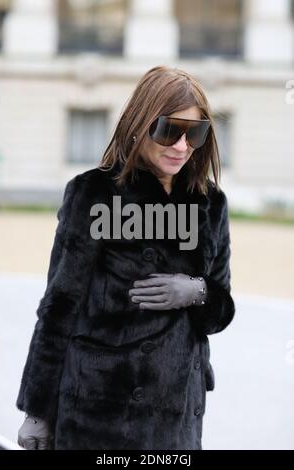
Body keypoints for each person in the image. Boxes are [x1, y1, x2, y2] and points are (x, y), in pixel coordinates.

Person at [17, 65, 235, 450]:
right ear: (139, 124)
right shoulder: (95, 193)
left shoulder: (210, 203)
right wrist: (37, 412)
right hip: (99, 412)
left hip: (177, 417)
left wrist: (198, 291)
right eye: (170, 129)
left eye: (195, 133)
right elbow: (59, 306)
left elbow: (222, 308)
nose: (182, 146)